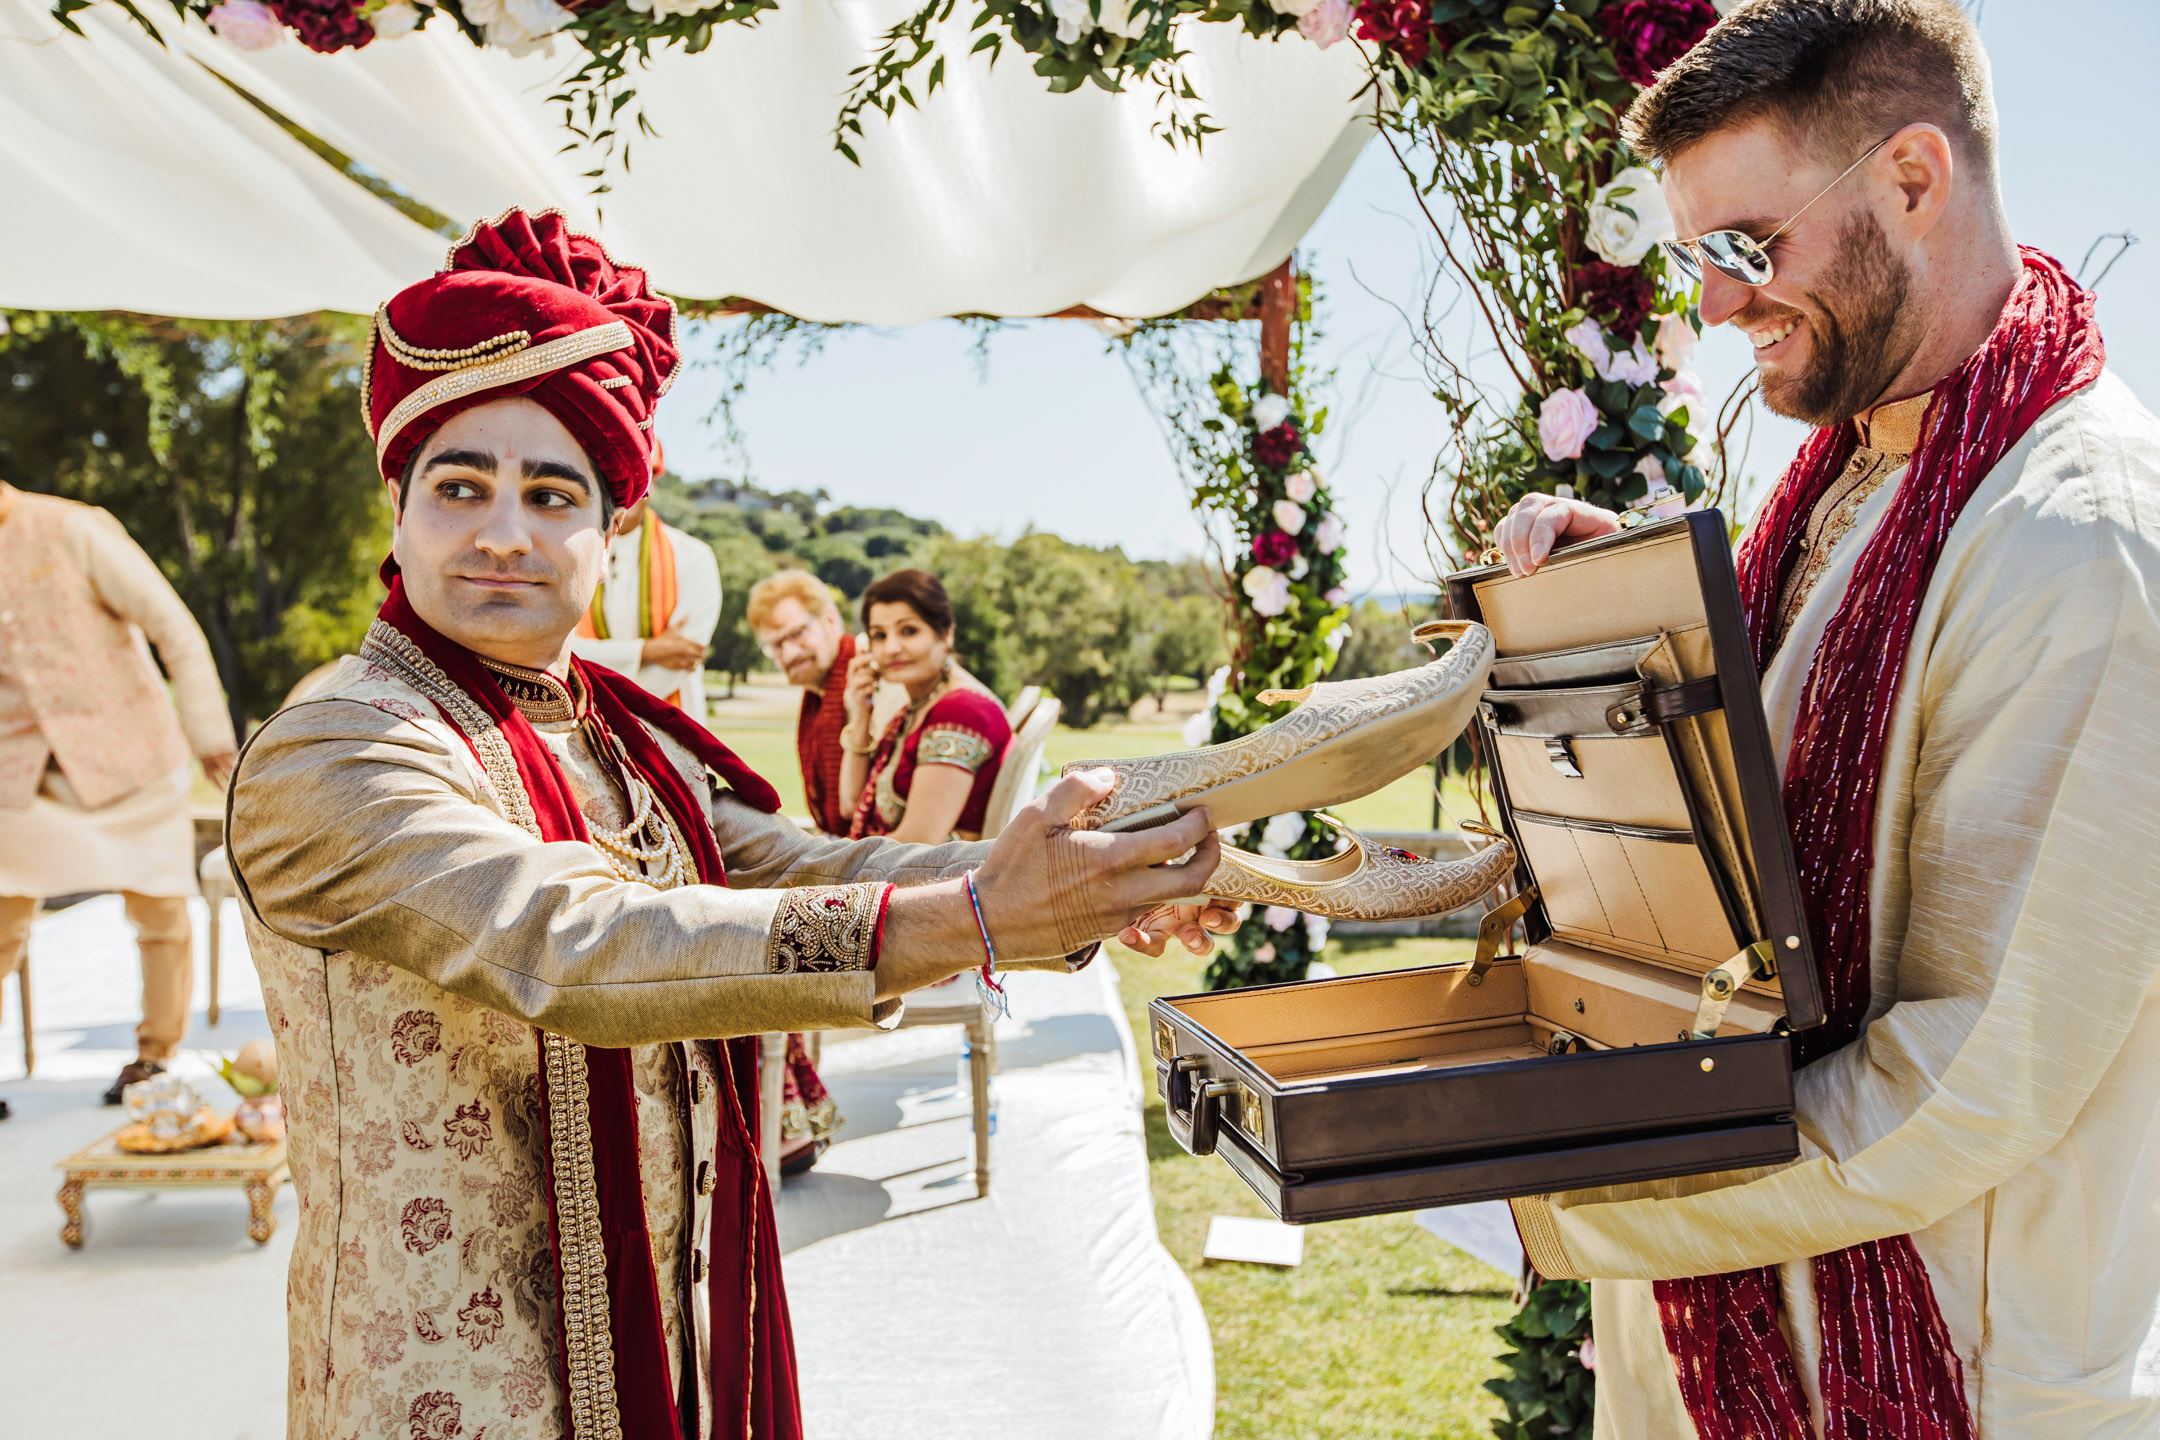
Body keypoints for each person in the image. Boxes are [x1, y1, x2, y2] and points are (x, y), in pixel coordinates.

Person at [225, 210, 1233, 1440]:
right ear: (399, 504)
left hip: (667, 1343)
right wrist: (975, 918)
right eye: (460, 485)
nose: (503, 530)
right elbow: (571, 943)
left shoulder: (602, 727)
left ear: (612, 535)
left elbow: (794, 860)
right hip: (450, 1382)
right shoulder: (338, 746)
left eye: (553, 494)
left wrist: (1084, 878)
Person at [1491, 3, 2160, 1435]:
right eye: (1695, 261)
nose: (1717, 307)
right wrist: (1646, 642)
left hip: (1941, 1377)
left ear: (1914, 180)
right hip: (1730, 1349)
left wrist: (1573, 1188)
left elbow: (1972, 1076)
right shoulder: (1863, 486)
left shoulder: (2077, 543)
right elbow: (1781, 826)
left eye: (1745, 248)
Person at [0, 479, 238, 1115]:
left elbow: (175, 629)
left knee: (159, 915)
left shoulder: (72, 527)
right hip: (17, 770)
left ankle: (155, 1056)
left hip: (128, 754)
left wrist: (209, 734)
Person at [840, 569, 1011, 843]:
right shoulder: (918, 707)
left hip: (930, 879)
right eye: (879, 635)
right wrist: (860, 713)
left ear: (945, 635)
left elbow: (918, 843)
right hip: (890, 868)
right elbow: (850, 805)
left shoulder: (961, 712)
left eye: (909, 631)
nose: (892, 647)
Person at [566, 444, 721, 714]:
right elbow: (566, 651)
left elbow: (681, 661)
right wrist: (649, 651)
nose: (626, 491)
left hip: (672, 723)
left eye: (637, 478)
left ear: (653, 484)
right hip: (587, 722)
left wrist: (605, 697)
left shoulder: (694, 557)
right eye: (612, 477)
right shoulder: (569, 554)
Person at [747, 568, 855, 836]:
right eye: (776, 645)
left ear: (830, 620)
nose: (790, 653)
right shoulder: (815, 696)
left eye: (797, 634)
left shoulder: (868, 679)